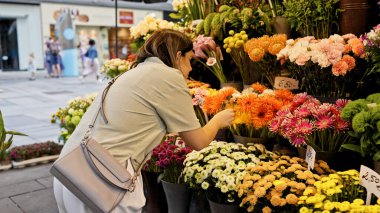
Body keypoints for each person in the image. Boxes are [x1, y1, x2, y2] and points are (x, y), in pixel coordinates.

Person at [53, 29, 235, 213]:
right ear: (178, 55)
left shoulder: (132, 73)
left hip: (70, 170)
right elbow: (199, 142)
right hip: (104, 178)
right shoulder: (170, 76)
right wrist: (219, 119)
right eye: (189, 60)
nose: (189, 69)